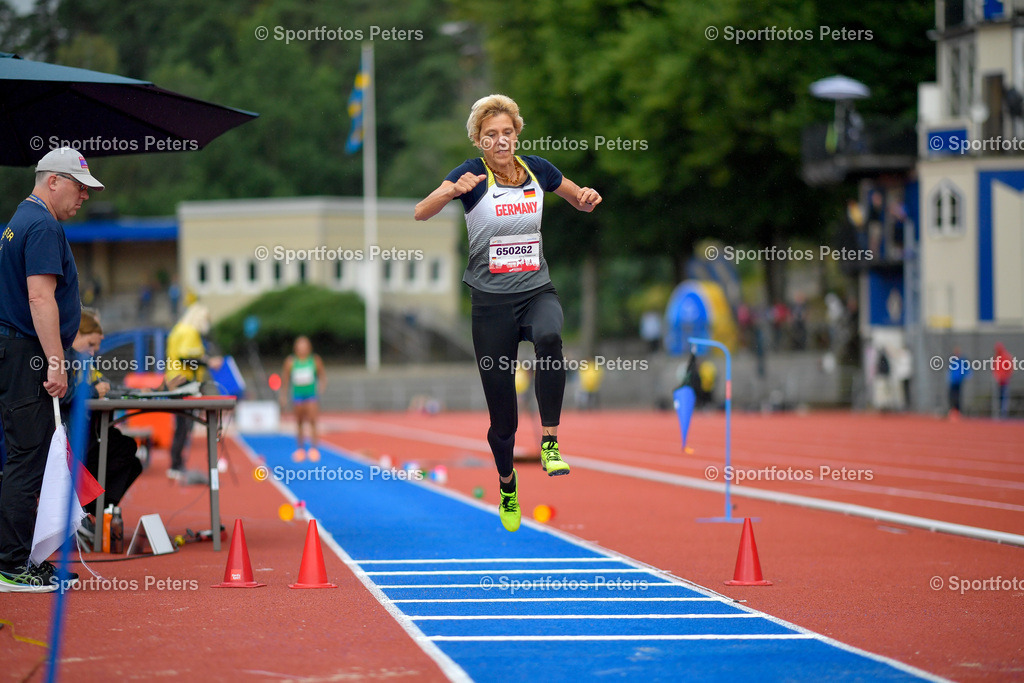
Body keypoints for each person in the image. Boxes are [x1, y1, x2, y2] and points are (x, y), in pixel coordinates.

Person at [415, 94, 602, 532]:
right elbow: (421, 212)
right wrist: (448, 191)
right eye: (490, 135)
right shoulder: (470, 175)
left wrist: (587, 197)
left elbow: (578, 199)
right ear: (479, 141)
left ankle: (550, 441)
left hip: (536, 290)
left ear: (517, 134)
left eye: (506, 133)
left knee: (550, 338)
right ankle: (507, 484)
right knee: (504, 423)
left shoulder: (539, 170)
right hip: (490, 304)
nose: (500, 141)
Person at [0, 147, 102, 592]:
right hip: (26, 353)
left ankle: (17, 559)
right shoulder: (42, 224)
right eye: (79, 187)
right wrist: (56, 361)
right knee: (27, 457)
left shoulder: (19, 220)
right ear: (53, 181)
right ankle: (11, 565)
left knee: (25, 455)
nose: (84, 197)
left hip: (16, 350)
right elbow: (40, 296)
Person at [164, 304, 222, 479]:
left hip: (176, 378)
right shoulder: (189, 331)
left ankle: (177, 463)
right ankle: (176, 464)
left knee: (182, 424)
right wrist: (208, 362)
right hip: (184, 381)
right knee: (184, 424)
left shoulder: (179, 329)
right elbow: (186, 358)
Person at [279, 336, 326, 462]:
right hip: (297, 396)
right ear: (296, 348)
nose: (302, 349)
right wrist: (283, 395)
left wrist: (321, 386)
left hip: (311, 396)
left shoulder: (315, 360)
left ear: (309, 347)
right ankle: (300, 450)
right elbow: (285, 379)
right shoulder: (290, 361)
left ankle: (314, 449)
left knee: (313, 421)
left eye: (304, 346)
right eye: (300, 346)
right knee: (299, 423)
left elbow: (322, 375)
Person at [948, 347, 971, 419]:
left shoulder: (962, 361)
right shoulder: (953, 360)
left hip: (958, 381)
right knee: (951, 396)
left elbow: (967, 369)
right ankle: (953, 410)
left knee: (958, 396)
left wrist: (967, 375)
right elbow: (950, 370)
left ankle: (958, 412)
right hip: (952, 381)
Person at [993, 342, 1014, 419]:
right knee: (998, 397)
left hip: (1004, 381)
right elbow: (995, 368)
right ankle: (999, 413)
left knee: (1004, 397)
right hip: (998, 381)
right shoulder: (997, 357)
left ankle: (1003, 414)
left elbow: (1009, 368)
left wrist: (1005, 377)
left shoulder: (1006, 356)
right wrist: (996, 376)